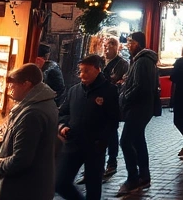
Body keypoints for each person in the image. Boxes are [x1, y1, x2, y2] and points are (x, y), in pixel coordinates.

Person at [0, 63, 58, 200]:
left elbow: (21, 160)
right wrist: (2, 153)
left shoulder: (31, 114)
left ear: (26, 84)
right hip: (37, 186)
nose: (9, 89)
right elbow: (29, 147)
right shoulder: (44, 103)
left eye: (12, 84)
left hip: (23, 190)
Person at [55, 54, 119, 200]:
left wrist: (103, 140)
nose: (82, 75)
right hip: (73, 144)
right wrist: (63, 127)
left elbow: (113, 120)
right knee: (60, 183)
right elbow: (63, 113)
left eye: (86, 71)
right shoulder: (74, 91)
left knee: (93, 187)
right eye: (80, 71)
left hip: (94, 147)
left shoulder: (109, 90)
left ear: (97, 69)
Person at [116, 32, 160, 196]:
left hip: (138, 108)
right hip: (142, 108)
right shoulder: (142, 61)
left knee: (125, 141)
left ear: (139, 43)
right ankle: (144, 175)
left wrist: (124, 96)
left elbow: (141, 86)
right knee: (138, 140)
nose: (128, 45)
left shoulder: (142, 61)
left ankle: (133, 179)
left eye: (131, 42)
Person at [101, 36, 128, 179]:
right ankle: (96, 165)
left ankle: (112, 162)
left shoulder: (122, 63)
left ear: (116, 48)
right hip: (98, 103)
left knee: (111, 132)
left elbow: (117, 81)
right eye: (105, 46)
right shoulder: (99, 61)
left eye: (110, 46)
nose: (106, 49)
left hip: (112, 102)